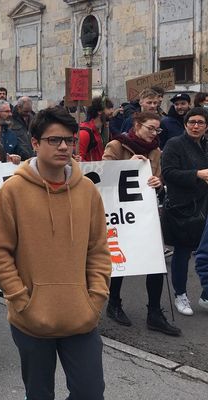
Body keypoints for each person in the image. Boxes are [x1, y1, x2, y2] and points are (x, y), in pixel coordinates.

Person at [0, 107, 112, 400]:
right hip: (31, 319)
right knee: (39, 394)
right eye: (54, 140)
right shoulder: (12, 191)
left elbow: (99, 250)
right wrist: (22, 300)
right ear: (35, 142)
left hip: (81, 317)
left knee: (90, 392)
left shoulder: (88, 191)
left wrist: (96, 298)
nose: (64, 146)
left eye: (69, 140)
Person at [102, 112, 181, 335]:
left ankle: (154, 312)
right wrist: (127, 165)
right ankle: (114, 304)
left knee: (154, 260)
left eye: (158, 130)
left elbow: (157, 178)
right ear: (137, 126)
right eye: (150, 129)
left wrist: (158, 183)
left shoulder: (156, 150)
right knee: (121, 258)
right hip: (121, 213)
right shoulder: (117, 145)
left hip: (145, 213)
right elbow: (103, 176)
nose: (154, 134)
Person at [161, 107, 208, 315]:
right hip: (183, 208)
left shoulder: (206, 145)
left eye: (200, 122)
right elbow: (168, 173)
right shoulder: (175, 144)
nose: (196, 126)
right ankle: (180, 295)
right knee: (182, 252)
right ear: (185, 124)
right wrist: (197, 174)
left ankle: (206, 294)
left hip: (204, 205)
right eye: (192, 122)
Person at [79, 96, 113, 161]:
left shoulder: (104, 131)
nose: (112, 111)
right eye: (108, 108)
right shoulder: (84, 133)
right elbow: (78, 160)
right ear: (99, 111)